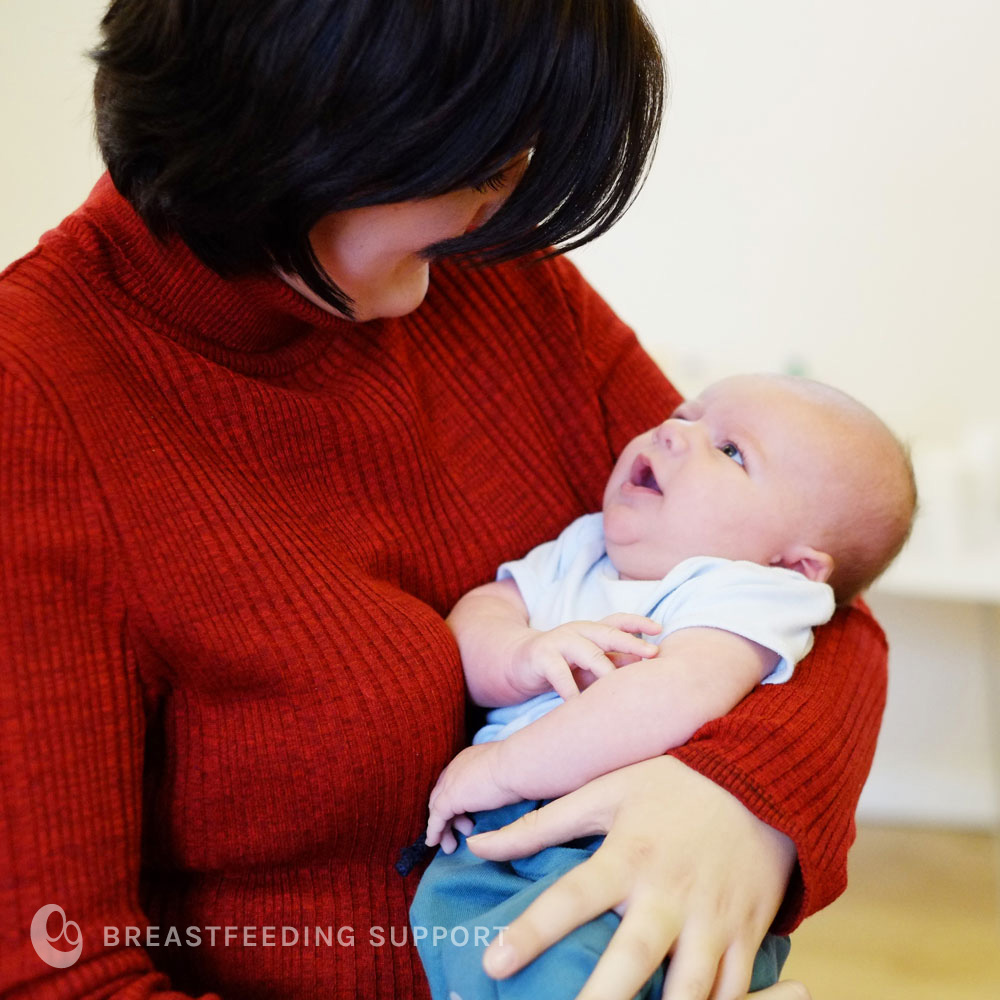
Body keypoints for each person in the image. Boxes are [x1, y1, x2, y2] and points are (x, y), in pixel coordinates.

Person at [0, 3, 884, 999]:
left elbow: (813, 584)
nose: (507, 208)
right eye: (492, 165)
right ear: (327, 120)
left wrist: (738, 804)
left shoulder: (493, 284)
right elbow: (57, 972)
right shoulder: (35, 406)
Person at [411, 373, 916, 999]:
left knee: (564, 970)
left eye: (731, 452)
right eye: (685, 414)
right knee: (467, 949)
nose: (674, 431)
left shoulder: (747, 593)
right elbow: (482, 609)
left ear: (793, 566)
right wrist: (518, 653)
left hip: (628, 842)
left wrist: (505, 768)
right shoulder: (582, 545)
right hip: (501, 833)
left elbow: (671, 694)